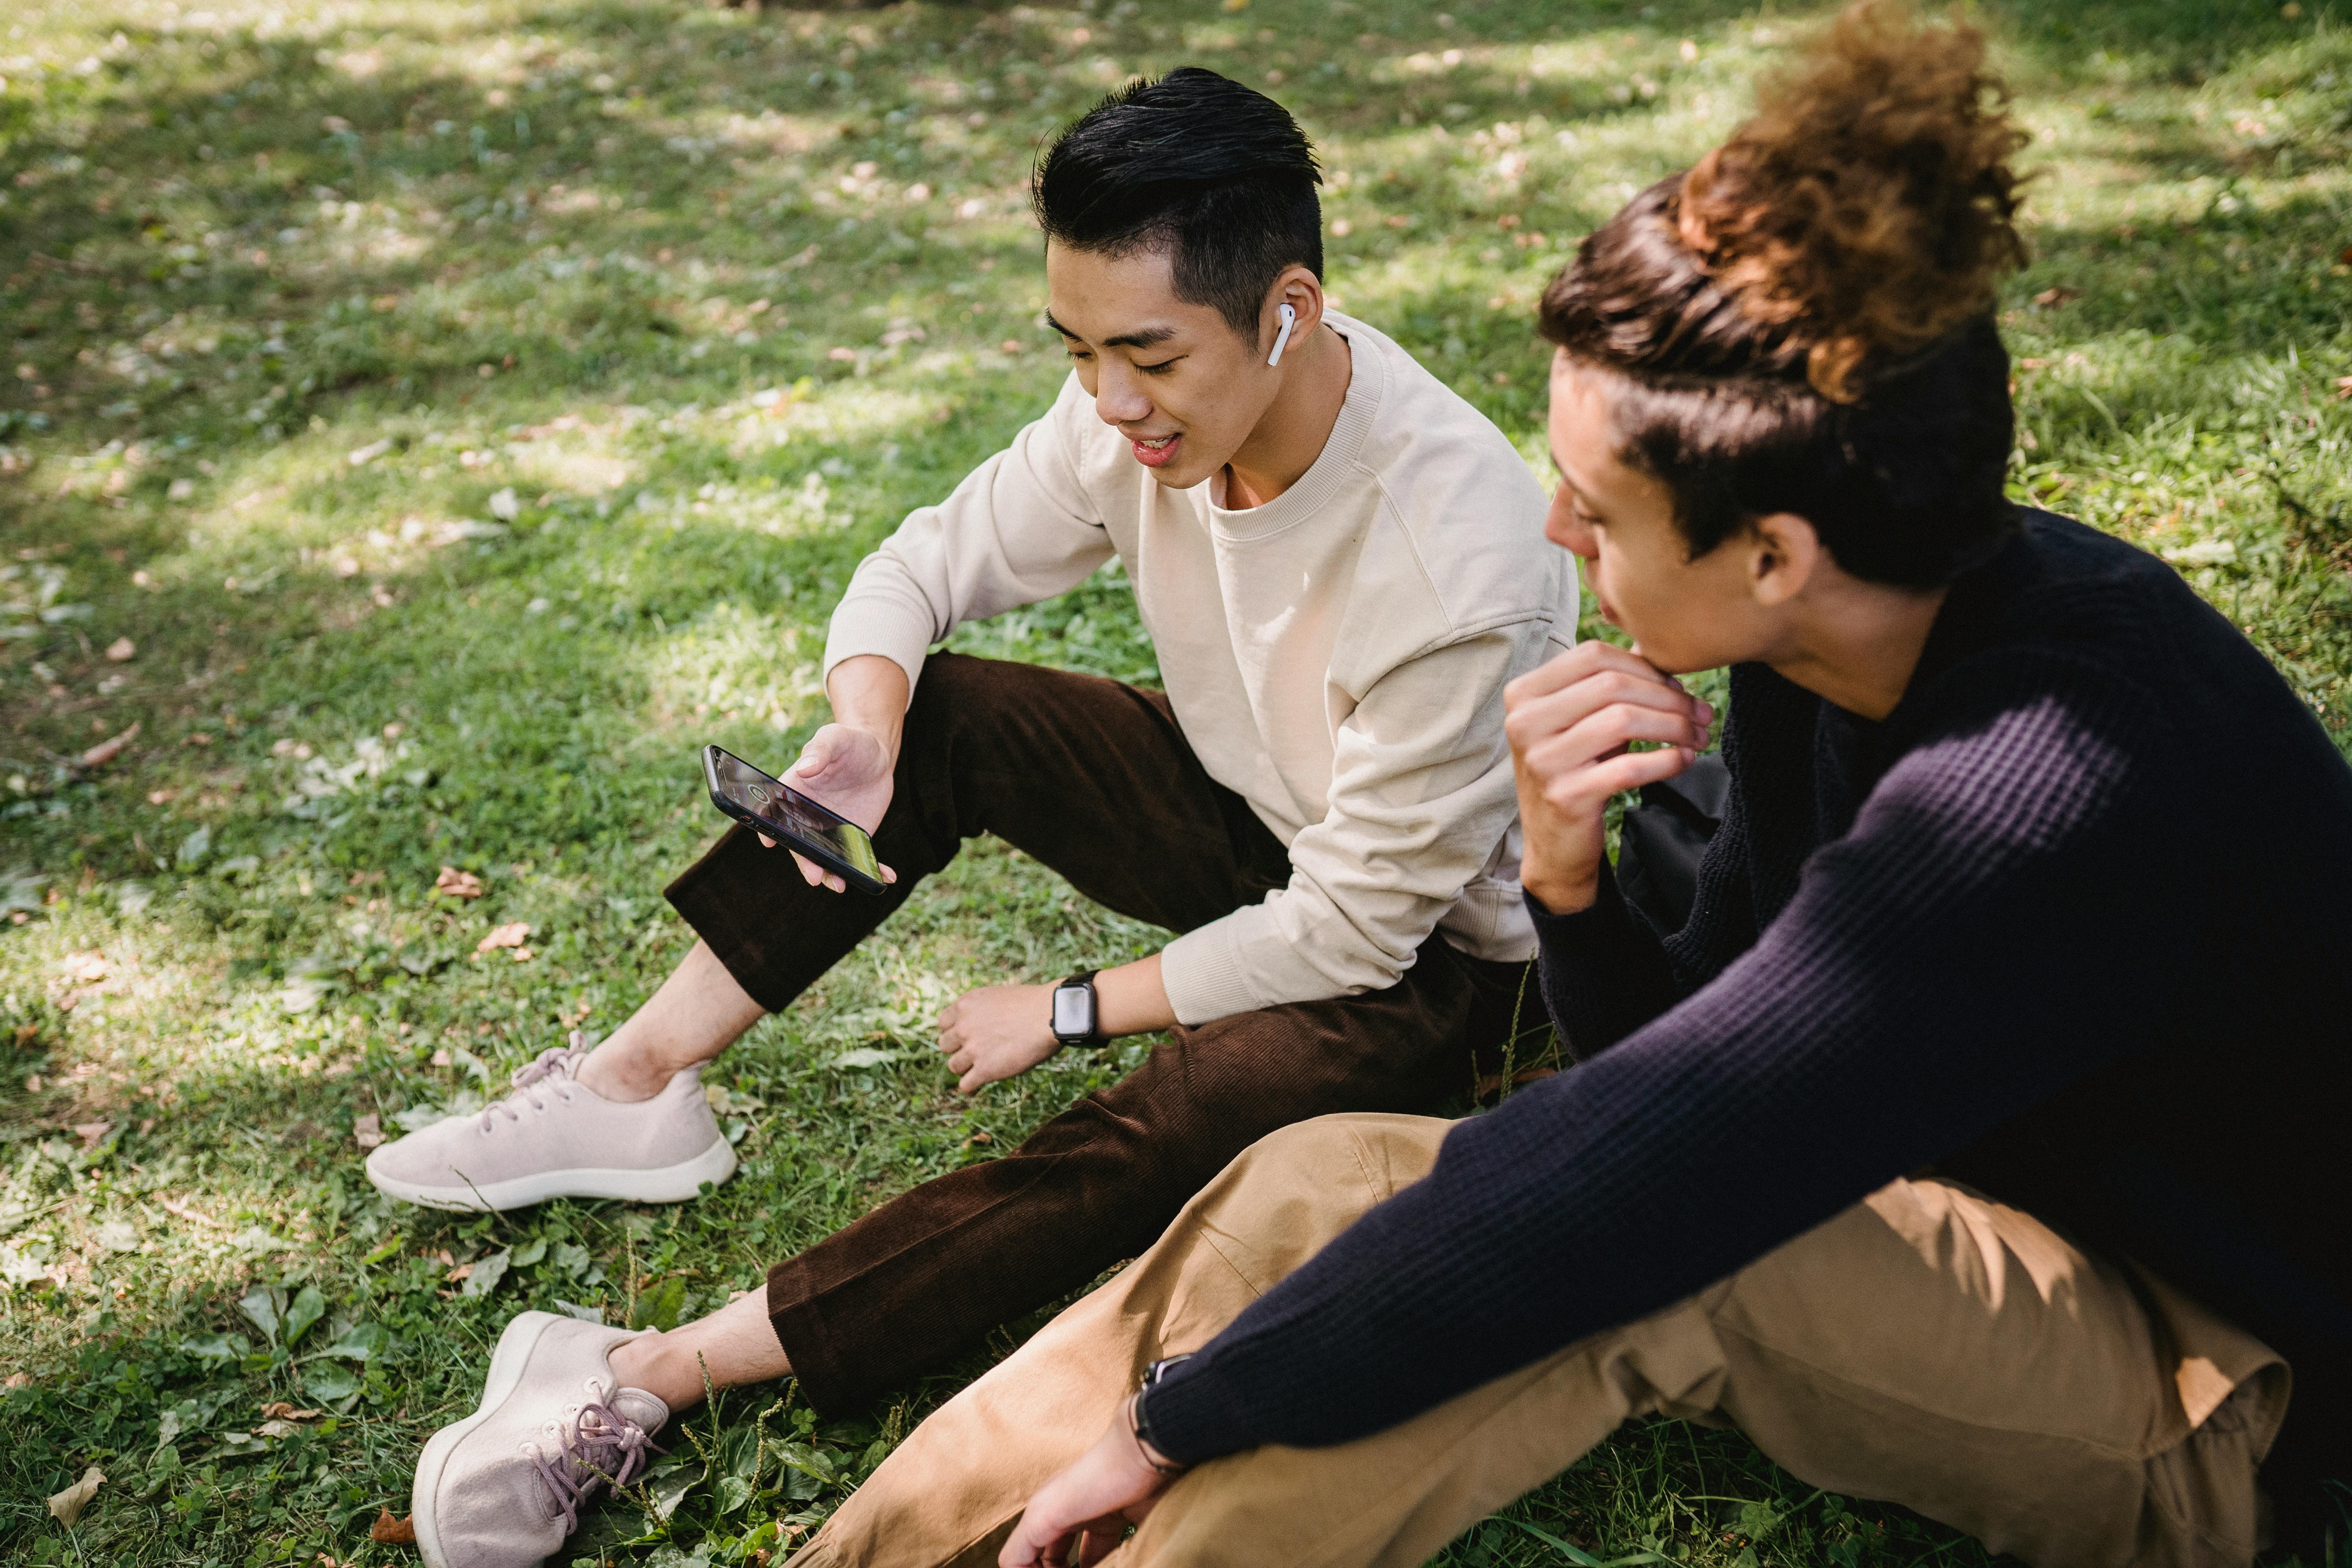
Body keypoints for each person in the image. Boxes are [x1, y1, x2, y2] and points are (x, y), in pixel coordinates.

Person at [757, 7, 2352, 1566]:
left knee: (1596, 1259)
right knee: (1332, 1174)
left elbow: (1654, 1160)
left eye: (1595, 507)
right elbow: (1673, 1045)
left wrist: (1174, 1422)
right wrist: (1570, 880)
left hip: (2216, 1376)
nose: (1555, 541)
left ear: (1772, 554)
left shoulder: (2043, 774)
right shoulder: (1823, 655)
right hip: (1946, 1199)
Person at [395, 68, 1576, 1568]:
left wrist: (1072, 1009)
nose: (1110, 401)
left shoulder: (1454, 556)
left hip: (1442, 964)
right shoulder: (1132, 418)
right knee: (945, 709)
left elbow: (1354, 927)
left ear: (1287, 310)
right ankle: (637, 1090)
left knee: (1190, 1112)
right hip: (1266, 822)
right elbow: (922, 563)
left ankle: (645, 1369)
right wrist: (871, 730)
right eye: (1078, 349)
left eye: (1147, 355)